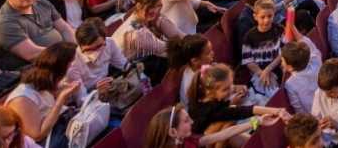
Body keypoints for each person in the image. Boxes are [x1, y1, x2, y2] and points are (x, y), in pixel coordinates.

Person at [187, 63, 289, 141]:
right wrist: (275, 112)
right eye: (225, 89)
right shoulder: (211, 110)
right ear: (210, 91)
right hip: (204, 141)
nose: (231, 90)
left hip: (218, 135)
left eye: (231, 86)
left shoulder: (209, 100)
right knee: (229, 124)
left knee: (230, 125)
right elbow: (241, 111)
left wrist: (277, 111)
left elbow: (240, 111)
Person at [4, 43, 81, 145]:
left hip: (61, 129)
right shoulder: (22, 98)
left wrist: (61, 93)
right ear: (59, 69)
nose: (71, 69)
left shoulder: (44, 85)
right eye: (70, 65)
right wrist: (61, 99)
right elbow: (37, 135)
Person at [143, 103, 273, 148]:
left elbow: (225, 133)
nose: (192, 122)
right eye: (186, 121)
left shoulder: (188, 141)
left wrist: (258, 121)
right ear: (172, 132)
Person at [66, 18, 128, 99]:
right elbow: (81, 99)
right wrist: (97, 92)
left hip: (108, 88)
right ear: (80, 46)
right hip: (91, 98)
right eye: (89, 50)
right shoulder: (72, 65)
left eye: (99, 46)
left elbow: (125, 65)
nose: (96, 52)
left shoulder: (109, 43)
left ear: (104, 39)